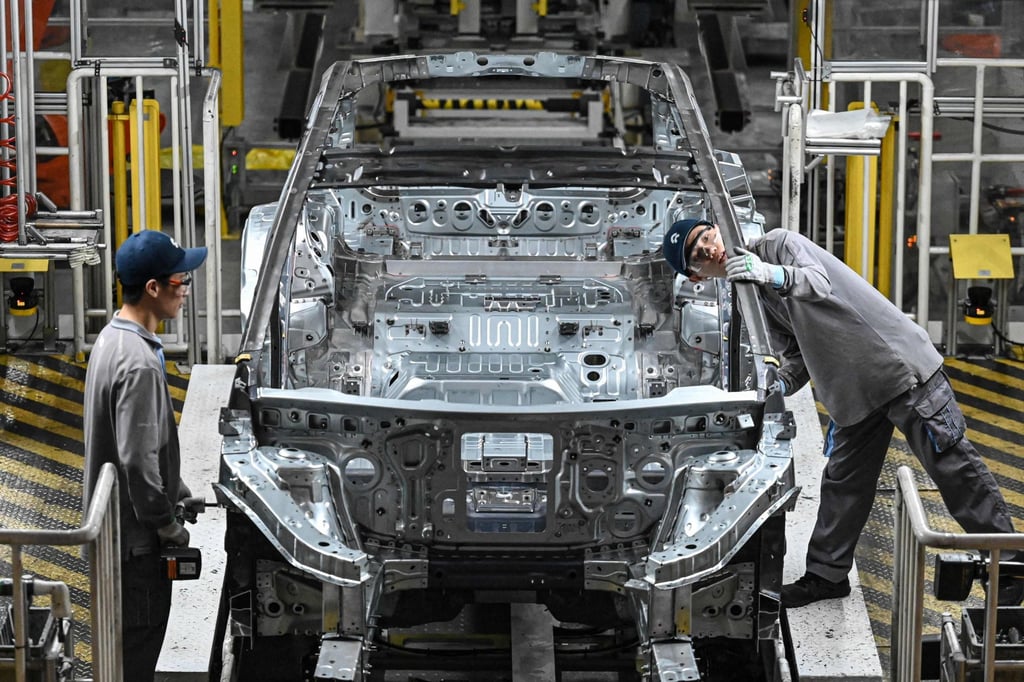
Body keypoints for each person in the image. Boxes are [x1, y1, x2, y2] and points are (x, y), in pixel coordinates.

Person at [662, 218, 1020, 608]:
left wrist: (769, 273)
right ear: (698, 277)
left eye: (708, 237)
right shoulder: (751, 297)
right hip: (854, 393)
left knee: (955, 473)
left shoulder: (777, 247)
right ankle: (826, 576)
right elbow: (798, 354)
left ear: (718, 229)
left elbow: (818, 283)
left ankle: (1011, 570)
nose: (710, 250)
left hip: (898, 368)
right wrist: (778, 384)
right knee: (842, 484)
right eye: (698, 255)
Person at [83, 230, 207, 679]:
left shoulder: (111, 340)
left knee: (119, 659)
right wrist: (168, 525)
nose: (186, 292)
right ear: (152, 288)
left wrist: (176, 489)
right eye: (180, 282)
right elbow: (136, 461)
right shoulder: (137, 362)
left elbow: (132, 445)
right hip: (135, 551)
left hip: (116, 541)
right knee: (134, 662)